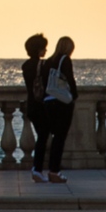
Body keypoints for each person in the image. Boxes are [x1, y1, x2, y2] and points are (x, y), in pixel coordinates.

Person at [34, 36, 78, 182]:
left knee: (48, 137)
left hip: (47, 102)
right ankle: (54, 171)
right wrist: (74, 95)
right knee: (59, 138)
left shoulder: (48, 62)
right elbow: (70, 80)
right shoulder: (64, 60)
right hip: (60, 102)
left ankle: (38, 169)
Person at [20, 34, 48, 182]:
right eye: (44, 47)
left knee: (42, 136)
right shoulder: (42, 66)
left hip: (31, 105)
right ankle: (37, 168)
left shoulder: (26, 66)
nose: (46, 50)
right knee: (43, 137)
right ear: (38, 49)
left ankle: (37, 168)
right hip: (41, 105)